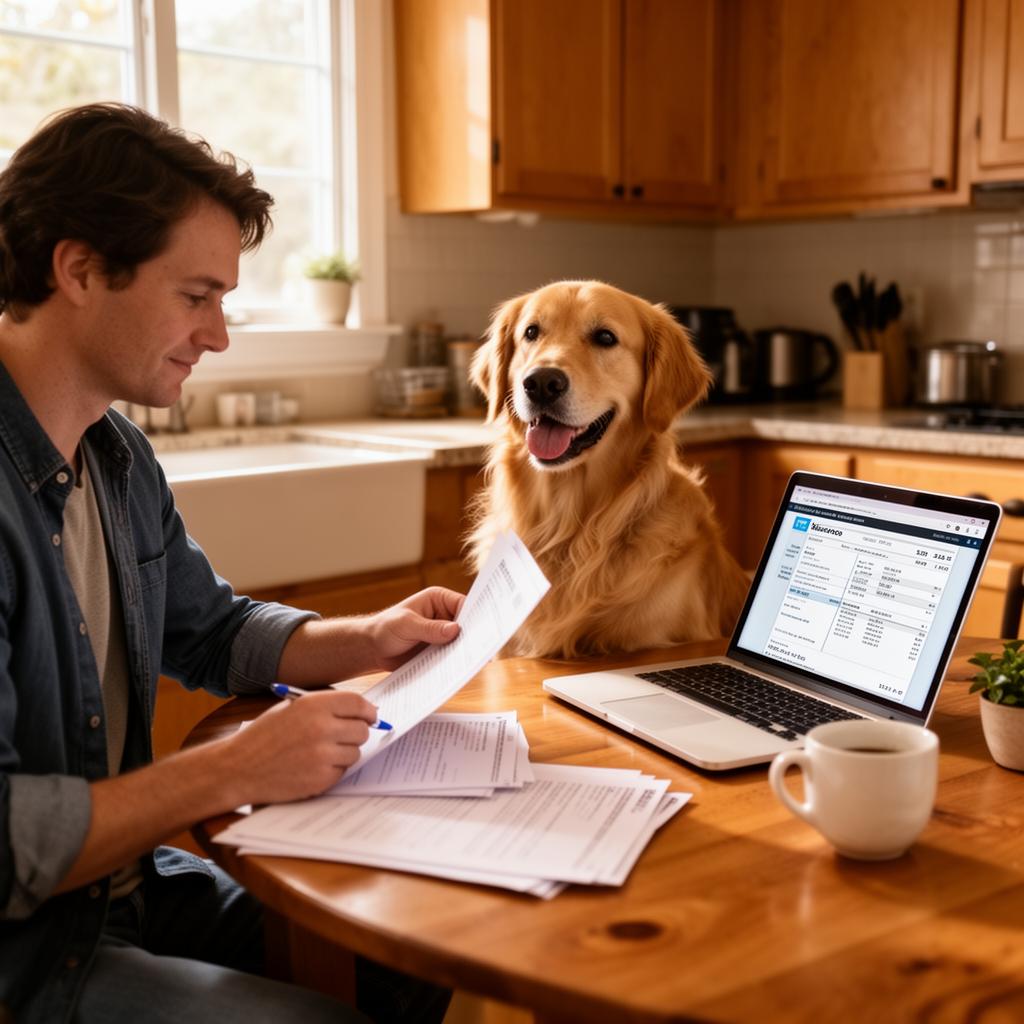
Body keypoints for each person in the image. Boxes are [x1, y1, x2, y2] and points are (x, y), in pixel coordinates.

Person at [0, 103, 462, 1024]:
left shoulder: (115, 454)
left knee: (406, 958)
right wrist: (234, 769)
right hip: (26, 953)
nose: (218, 335)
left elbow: (208, 629)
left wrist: (368, 636)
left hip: (120, 894)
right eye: (196, 295)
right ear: (80, 268)